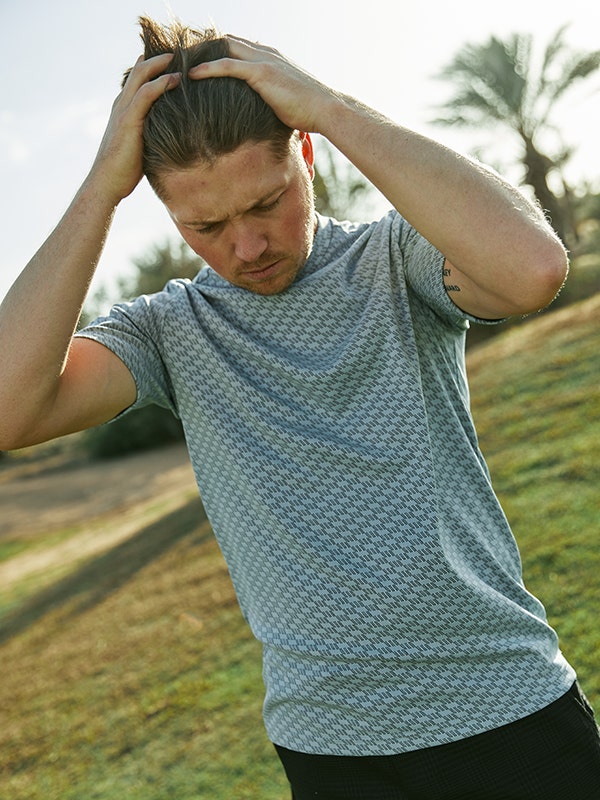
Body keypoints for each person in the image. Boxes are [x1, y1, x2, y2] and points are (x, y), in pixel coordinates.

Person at [1, 15, 599, 799]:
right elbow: (12, 411)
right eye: (205, 225)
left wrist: (329, 106)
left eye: (266, 202)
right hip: (331, 751)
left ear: (306, 154)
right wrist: (100, 187)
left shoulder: (396, 258)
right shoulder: (169, 328)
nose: (247, 246)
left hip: (509, 709)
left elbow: (531, 270)